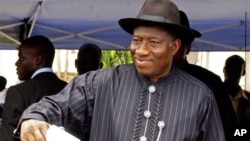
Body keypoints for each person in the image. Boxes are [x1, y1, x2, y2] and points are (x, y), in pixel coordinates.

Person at [17, 0, 224, 141]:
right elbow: (56, 106)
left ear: (175, 47)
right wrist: (33, 118)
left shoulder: (200, 96)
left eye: (153, 42)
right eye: (136, 41)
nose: (141, 50)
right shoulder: (99, 83)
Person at [174, 10, 237, 141]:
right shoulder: (136, 81)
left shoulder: (209, 83)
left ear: (187, 48)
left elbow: (229, 131)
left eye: (174, 41)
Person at [0, 35, 68, 141]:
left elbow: (7, 137)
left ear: (38, 59)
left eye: (21, 58)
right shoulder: (68, 89)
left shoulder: (18, 92)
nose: (17, 63)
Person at [223, 55, 250, 132]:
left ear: (243, 72)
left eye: (237, 68)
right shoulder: (212, 95)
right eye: (230, 67)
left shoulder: (248, 99)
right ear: (224, 69)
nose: (232, 70)